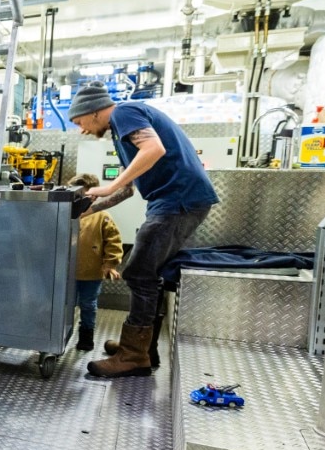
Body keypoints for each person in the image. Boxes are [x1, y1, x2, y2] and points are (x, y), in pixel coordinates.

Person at [67, 83, 217, 377]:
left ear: (95, 112)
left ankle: (134, 355)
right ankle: (143, 348)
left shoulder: (124, 112)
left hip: (178, 200)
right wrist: (90, 208)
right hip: (172, 200)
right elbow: (128, 189)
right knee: (148, 273)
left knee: (139, 272)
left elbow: (154, 148)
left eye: (80, 122)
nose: (81, 130)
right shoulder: (122, 132)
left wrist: (107, 185)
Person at [68, 172, 123, 352]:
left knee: (87, 304)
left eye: (86, 196)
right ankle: (60, 335)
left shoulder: (101, 216)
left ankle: (86, 336)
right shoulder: (64, 215)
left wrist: (110, 264)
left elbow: (113, 241)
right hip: (65, 272)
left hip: (90, 272)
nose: (82, 200)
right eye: (78, 196)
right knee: (64, 304)